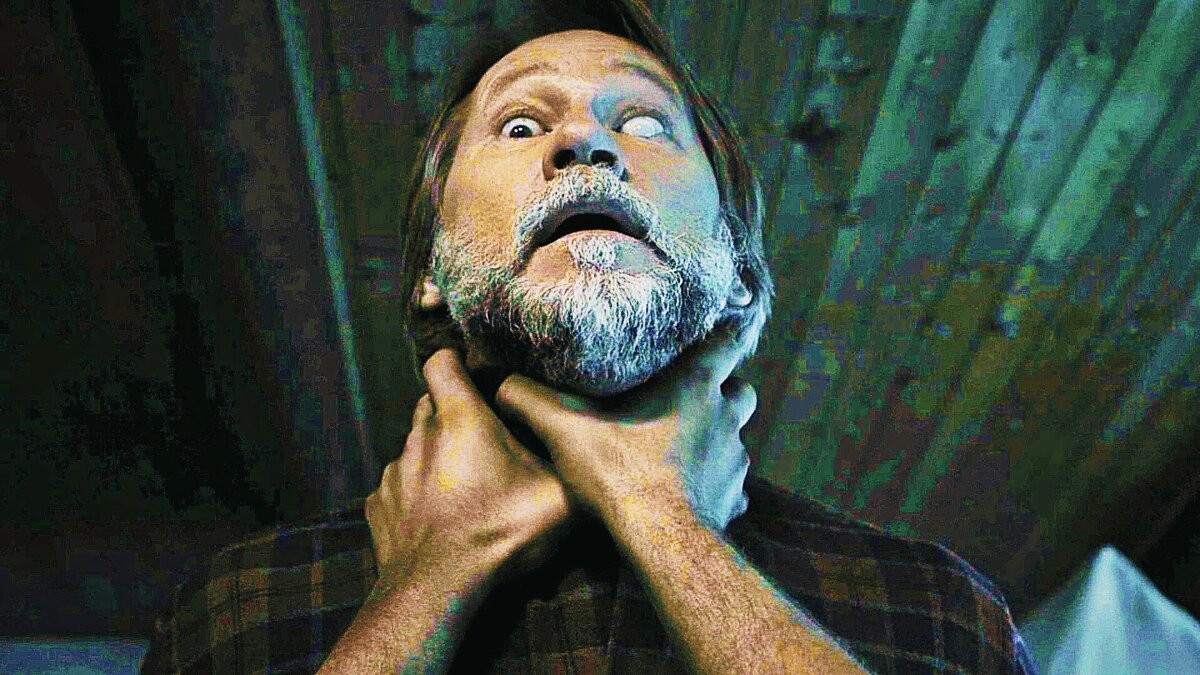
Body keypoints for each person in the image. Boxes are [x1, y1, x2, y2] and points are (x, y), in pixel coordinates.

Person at [142, 1, 1036, 672]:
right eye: (520, 125)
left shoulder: (944, 618)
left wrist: (664, 519)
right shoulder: (234, 616)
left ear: (735, 264)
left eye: (643, 123)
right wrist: (427, 584)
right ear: (432, 269)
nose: (584, 142)